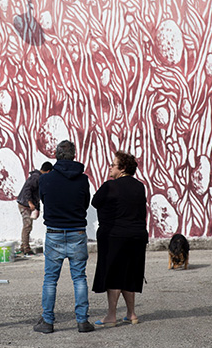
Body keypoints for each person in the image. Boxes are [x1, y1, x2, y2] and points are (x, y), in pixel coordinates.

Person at [33, 140, 95, 334]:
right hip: (77, 231)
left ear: (56, 155)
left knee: (51, 279)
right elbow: (85, 203)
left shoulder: (45, 179)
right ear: (74, 155)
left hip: (54, 233)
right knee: (79, 278)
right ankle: (82, 321)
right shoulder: (83, 179)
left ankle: (48, 322)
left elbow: (44, 199)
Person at [92, 151, 148, 327]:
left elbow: (95, 202)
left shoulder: (110, 186)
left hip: (114, 236)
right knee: (131, 273)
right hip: (137, 235)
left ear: (122, 168)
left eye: (113, 164)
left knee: (114, 275)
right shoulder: (140, 187)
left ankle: (111, 316)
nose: (110, 166)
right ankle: (132, 314)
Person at [17, 161, 53, 256]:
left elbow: (36, 194)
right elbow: (27, 189)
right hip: (25, 204)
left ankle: (23, 246)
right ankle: (26, 249)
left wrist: (37, 207)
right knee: (27, 226)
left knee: (28, 225)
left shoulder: (38, 176)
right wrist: (29, 202)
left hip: (27, 204)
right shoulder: (36, 177)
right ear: (48, 171)